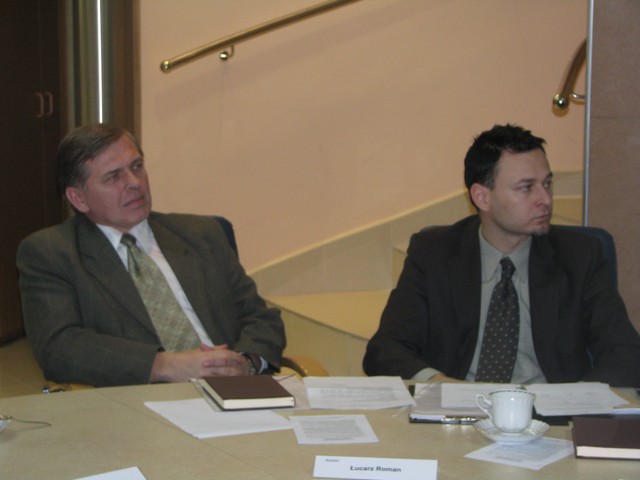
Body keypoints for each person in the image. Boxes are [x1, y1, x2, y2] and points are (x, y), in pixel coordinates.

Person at [363, 124, 640, 387]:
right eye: (526, 187)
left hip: (549, 410)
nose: (545, 199)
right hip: (456, 407)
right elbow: (386, 349)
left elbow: (624, 352)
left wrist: (575, 400)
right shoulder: (433, 253)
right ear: (482, 197)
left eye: (547, 184)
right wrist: (439, 385)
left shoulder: (580, 256)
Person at [17, 123, 285, 387]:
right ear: (79, 199)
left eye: (136, 166)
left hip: (236, 390)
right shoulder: (52, 253)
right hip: (141, 401)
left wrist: (246, 363)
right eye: (114, 177)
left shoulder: (202, 234)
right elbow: (59, 347)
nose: (134, 183)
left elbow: (261, 318)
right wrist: (164, 366)